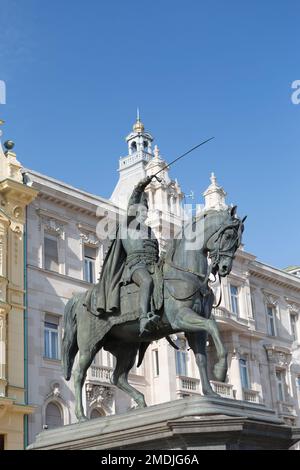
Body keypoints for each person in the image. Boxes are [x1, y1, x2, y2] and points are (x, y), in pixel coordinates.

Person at [122, 175, 160, 335]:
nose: (146, 214)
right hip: (136, 265)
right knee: (146, 281)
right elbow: (133, 200)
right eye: (143, 211)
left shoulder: (150, 231)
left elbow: (156, 252)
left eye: (147, 211)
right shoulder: (130, 224)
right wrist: (142, 184)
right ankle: (143, 317)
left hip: (153, 265)